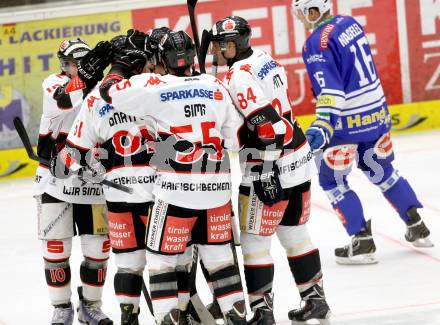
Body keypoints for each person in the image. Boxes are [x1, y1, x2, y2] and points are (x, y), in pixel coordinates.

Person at [100, 30, 248, 325]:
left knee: (160, 261)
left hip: (175, 192)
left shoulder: (153, 85)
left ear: (161, 60)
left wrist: (119, 66)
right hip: (217, 190)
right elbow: (235, 141)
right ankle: (238, 318)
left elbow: (110, 91)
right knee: (220, 260)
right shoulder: (214, 84)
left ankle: (168, 319)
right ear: (193, 56)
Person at [209, 15, 331, 325]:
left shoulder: (239, 76)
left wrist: (264, 169)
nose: (219, 50)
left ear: (233, 44)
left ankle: (263, 313)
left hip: (269, 162)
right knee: (295, 234)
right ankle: (315, 301)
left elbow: (270, 129)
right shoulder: (264, 57)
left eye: (222, 45)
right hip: (299, 157)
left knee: (254, 242)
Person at [292, 0, 433, 265]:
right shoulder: (349, 23)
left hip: (345, 125)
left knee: (333, 181)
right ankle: (416, 224)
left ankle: (362, 241)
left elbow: (331, 91)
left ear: (313, 11)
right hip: (377, 115)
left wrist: (323, 124)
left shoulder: (315, 44)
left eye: (301, 13)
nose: (300, 20)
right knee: (381, 170)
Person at [55, 31, 155, 325]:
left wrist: (86, 163)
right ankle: (61, 308)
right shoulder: (154, 86)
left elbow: (73, 153)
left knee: (117, 257)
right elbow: (63, 103)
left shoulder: (102, 94)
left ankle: (112, 313)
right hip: (157, 192)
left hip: (114, 190)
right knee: (167, 259)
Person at [34, 38, 113, 325]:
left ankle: (90, 305)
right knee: (56, 247)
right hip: (55, 180)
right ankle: (61, 307)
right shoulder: (52, 83)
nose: (72, 67)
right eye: (70, 62)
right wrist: (91, 78)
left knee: (97, 249)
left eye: (81, 62)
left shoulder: (104, 85)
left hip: (92, 181)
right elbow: (63, 101)